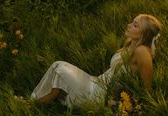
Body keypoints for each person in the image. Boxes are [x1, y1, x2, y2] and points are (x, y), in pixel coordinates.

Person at [31, 14, 161, 107]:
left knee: (58, 68)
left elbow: (146, 89)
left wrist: (127, 105)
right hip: (95, 82)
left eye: (135, 25)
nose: (129, 25)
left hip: (99, 97)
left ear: (143, 34)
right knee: (59, 71)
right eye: (132, 22)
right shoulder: (130, 44)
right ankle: (39, 102)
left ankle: (33, 103)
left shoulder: (142, 52)